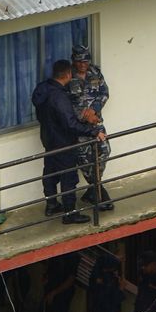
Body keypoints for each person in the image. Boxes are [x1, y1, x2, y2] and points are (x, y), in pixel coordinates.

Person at [32, 58, 99, 224]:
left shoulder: (42, 89)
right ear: (68, 74)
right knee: (69, 177)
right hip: (64, 142)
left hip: (48, 139)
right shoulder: (59, 97)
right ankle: (70, 213)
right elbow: (70, 124)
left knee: (50, 173)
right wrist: (92, 131)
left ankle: (52, 204)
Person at [68, 43, 114, 212]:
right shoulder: (68, 76)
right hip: (78, 127)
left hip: (96, 123)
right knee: (84, 159)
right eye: (79, 61)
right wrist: (82, 114)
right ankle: (98, 191)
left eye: (85, 61)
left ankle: (93, 189)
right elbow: (63, 103)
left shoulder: (95, 72)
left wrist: (93, 110)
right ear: (74, 60)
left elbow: (104, 93)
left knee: (104, 151)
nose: (82, 65)